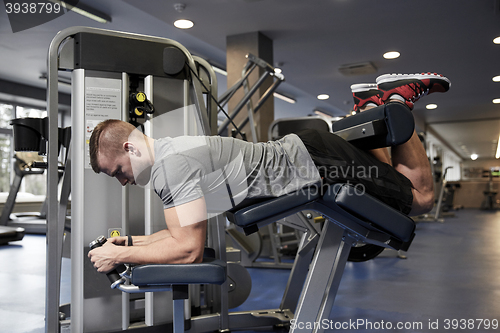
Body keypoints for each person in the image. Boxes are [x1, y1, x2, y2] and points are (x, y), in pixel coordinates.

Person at [88, 72, 450, 273]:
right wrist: (130, 243)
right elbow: (177, 233)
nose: (123, 181)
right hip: (313, 156)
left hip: (317, 163)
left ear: (130, 148)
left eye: (117, 171)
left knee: (419, 199)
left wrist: (117, 256)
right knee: (386, 178)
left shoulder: (170, 167)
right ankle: (371, 103)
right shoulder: (168, 157)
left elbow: (188, 250)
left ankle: (398, 98)